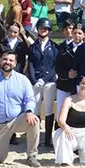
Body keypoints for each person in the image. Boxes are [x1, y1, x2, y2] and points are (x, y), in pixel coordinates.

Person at [0, 51, 43, 165]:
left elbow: (30, 99)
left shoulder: (23, 80)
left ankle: (32, 155)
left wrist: (29, 111)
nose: (7, 62)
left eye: (11, 60)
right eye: (5, 59)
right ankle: (0, 151)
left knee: (34, 121)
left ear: (15, 63)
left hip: (16, 120)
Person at [54, 76, 85, 166]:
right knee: (60, 134)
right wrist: (66, 127)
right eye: (83, 83)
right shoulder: (69, 100)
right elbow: (61, 120)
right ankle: (65, 161)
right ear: (79, 84)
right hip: (69, 131)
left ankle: (83, 158)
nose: (84, 86)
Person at [26, 19, 59, 150]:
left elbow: (54, 66)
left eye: (45, 29)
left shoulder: (55, 47)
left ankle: (48, 138)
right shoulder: (33, 47)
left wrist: (44, 79)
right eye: (41, 29)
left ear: (49, 31)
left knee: (49, 109)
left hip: (49, 81)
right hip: (36, 82)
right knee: (35, 109)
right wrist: (34, 80)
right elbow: (31, 64)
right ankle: (36, 137)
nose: (43, 31)